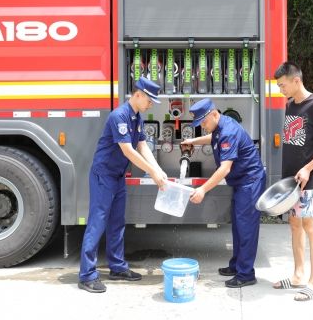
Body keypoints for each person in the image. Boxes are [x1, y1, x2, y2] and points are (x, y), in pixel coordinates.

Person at [78, 77, 168, 293]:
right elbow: (128, 151)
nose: (151, 105)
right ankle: (86, 275)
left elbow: (142, 146)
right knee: (98, 222)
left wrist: (159, 169)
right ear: (138, 95)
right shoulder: (119, 116)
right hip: (104, 175)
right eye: (149, 100)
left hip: (118, 176)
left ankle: (117, 267)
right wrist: (152, 172)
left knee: (117, 222)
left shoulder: (137, 118)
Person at [181, 98, 266, 288]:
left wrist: (203, 189)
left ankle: (246, 274)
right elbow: (213, 138)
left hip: (250, 182)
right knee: (238, 227)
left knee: (246, 229)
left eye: (203, 122)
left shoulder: (228, 131)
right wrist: (193, 141)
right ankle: (237, 266)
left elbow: (225, 169)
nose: (202, 126)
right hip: (241, 182)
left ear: (213, 114)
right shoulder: (220, 125)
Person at [272, 62, 313, 302]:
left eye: (282, 85)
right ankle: (298, 276)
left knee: (310, 225)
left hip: (308, 179)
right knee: (294, 225)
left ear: (296, 80)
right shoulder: (290, 105)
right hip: (290, 181)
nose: (280, 90)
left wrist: (308, 168)